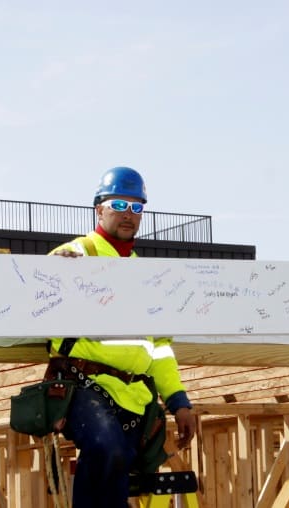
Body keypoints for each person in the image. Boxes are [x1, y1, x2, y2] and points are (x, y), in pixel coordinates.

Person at [47, 166, 197, 507]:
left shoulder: (145, 275)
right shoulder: (79, 254)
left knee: (121, 466)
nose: (129, 214)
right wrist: (56, 270)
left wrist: (178, 402)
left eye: (137, 207)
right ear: (99, 209)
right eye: (119, 204)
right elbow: (40, 286)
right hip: (83, 384)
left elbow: (159, 350)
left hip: (133, 396)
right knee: (106, 447)